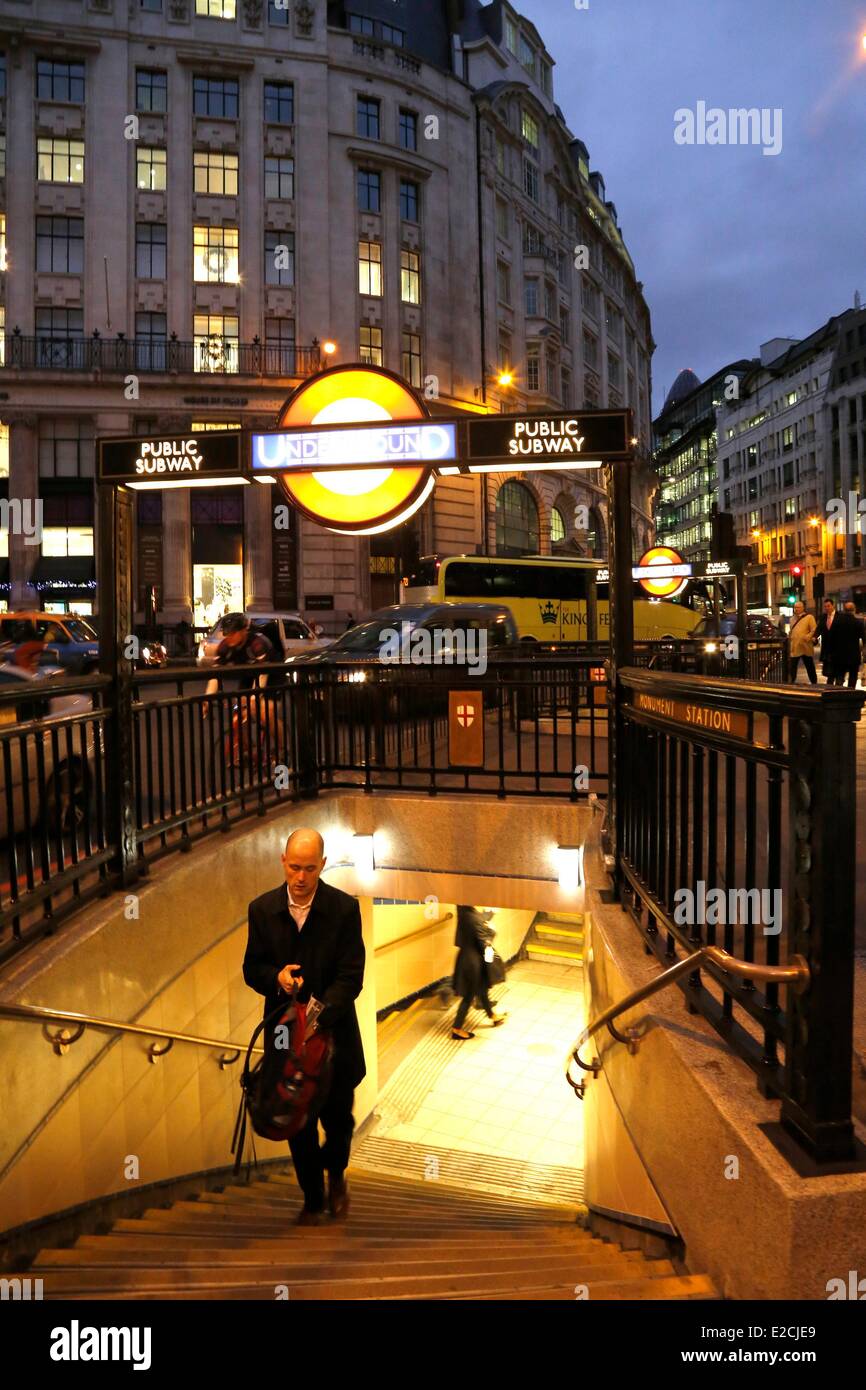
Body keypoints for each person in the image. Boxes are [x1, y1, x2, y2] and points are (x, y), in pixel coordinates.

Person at [243, 829, 366, 1225]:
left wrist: (318, 1013)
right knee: (297, 1122)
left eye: (309, 868)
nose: (300, 877)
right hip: (283, 1035)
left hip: (334, 1034)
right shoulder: (262, 910)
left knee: (338, 1119)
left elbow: (351, 976)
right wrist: (275, 978)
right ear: (283, 861)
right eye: (294, 867)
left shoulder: (344, 909)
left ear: (322, 866)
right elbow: (252, 968)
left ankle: (337, 1177)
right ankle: (313, 1199)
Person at [451, 904, 507, 1040]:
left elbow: (477, 920)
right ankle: (457, 1028)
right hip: (474, 963)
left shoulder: (464, 912)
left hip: (467, 958)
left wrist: (488, 915)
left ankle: (492, 1016)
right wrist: (491, 932)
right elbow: (484, 943)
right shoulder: (473, 918)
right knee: (469, 996)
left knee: (481, 990)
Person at [788, 601, 817, 684]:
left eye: (798, 607)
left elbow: (814, 629)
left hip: (805, 646)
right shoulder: (792, 619)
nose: (796, 609)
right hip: (795, 646)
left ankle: (814, 683)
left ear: (803, 608)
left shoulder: (809, 617)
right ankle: (791, 682)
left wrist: (808, 637)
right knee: (792, 667)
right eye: (795, 607)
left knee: (809, 666)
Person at [814, 599, 838, 683]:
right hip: (826, 648)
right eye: (825, 606)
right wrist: (815, 637)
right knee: (829, 670)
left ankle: (838, 683)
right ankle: (830, 684)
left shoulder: (839, 616)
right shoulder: (823, 617)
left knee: (837, 668)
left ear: (833, 605)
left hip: (837, 647)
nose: (827, 608)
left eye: (828, 606)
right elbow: (819, 629)